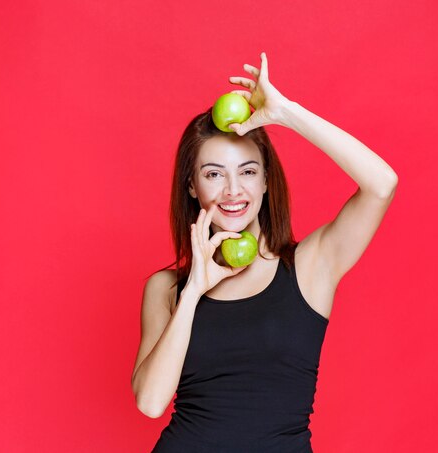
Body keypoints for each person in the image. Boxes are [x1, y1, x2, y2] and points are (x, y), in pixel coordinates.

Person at [130, 51, 398, 452]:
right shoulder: (168, 288)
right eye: (214, 174)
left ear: (266, 181)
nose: (233, 190)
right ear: (192, 187)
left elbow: (382, 184)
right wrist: (193, 293)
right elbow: (151, 404)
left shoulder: (309, 266)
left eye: (248, 172)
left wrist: (286, 113)